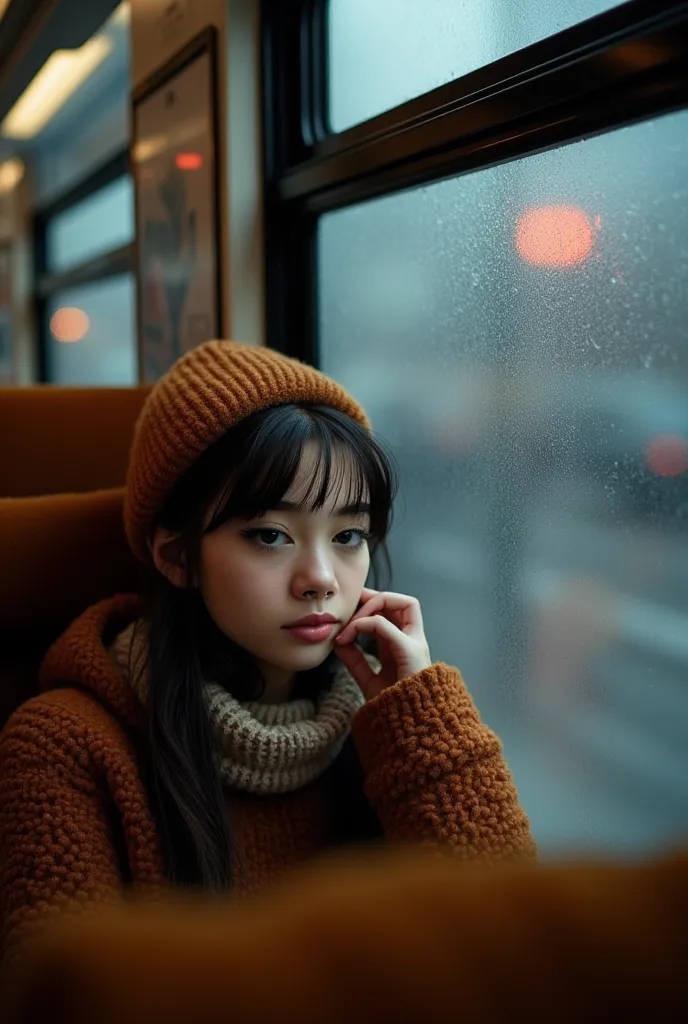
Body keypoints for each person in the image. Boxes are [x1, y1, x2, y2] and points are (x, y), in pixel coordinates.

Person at [0, 340, 535, 982]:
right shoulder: (61, 748)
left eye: (348, 536)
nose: (319, 579)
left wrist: (421, 715)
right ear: (176, 557)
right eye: (270, 536)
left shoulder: (385, 728)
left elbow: (517, 956)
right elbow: (70, 1000)